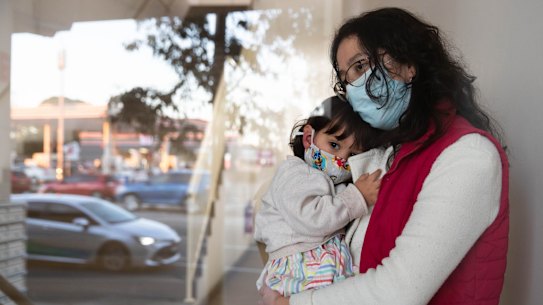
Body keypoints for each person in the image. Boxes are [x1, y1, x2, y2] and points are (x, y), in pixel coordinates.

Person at [259, 7, 509, 305]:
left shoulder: (469, 156)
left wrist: (288, 303)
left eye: (361, 65)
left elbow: (398, 291)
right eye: (346, 76)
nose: (354, 86)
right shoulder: (389, 153)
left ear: (408, 64)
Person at [254, 96, 384, 297]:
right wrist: (357, 197)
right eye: (334, 145)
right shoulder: (294, 173)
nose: (341, 159)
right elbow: (311, 217)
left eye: (352, 156)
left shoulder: (333, 184)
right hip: (299, 265)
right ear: (308, 138)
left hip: (318, 263)